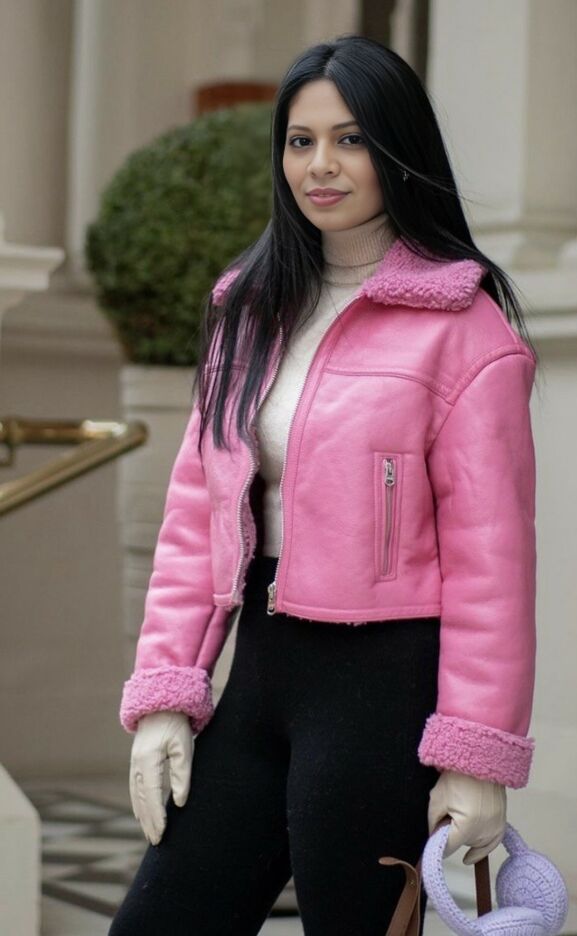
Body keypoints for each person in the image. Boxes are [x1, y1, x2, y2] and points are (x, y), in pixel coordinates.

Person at [109, 33, 538, 936]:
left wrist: (475, 755)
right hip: (259, 675)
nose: (321, 166)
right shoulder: (249, 309)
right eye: (301, 141)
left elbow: (492, 563)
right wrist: (165, 696)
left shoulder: (465, 331)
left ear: (399, 149)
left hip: (382, 698)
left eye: (351, 140)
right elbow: (195, 516)